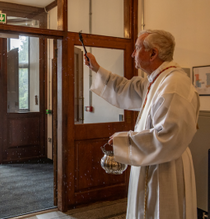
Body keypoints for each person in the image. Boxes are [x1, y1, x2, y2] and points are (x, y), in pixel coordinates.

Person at [84, 29, 200, 219]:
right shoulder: (157, 80)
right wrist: (97, 68)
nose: (132, 54)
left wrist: (124, 140)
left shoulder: (174, 85)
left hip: (165, 169)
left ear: (153, 53)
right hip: (153, 161)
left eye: (137, 48)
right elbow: (125, 88)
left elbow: (167, 137)